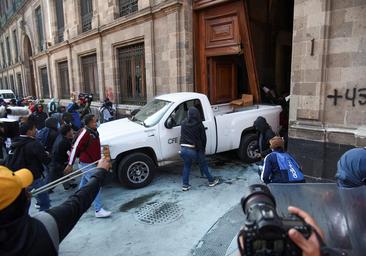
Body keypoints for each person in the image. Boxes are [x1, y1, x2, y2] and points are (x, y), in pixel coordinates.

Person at [0, 158, 110, 256]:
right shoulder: (45, 225)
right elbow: (78, 202)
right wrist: (100, 172)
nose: (28, 189)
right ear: (20, 202)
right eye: (23, 190)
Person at [64, 114, 111, 217]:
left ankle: (79, 203)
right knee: (96, 185)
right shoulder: (85, 133)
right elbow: (75, 147)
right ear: (89, 123)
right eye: (94, 121)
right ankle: (98, 210)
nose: (96, 123)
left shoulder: (93, 131)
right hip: (87, 163)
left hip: (93, 162)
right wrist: (70, 164)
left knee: (84, 186)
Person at [6, 117, 51, 211]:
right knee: (44, 199)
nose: (36, 131)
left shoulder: (15, 142)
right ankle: (43, 215)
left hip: (18, 176)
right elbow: (45, 159)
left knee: (24, 199)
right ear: (29, 132)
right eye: (34, 129)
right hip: (33, 176)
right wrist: (47, 155)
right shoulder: (34, 144)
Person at [179, 106, 219, 191]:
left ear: (189, 114)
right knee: (203, 164)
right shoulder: (199, 124)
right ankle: (211, 181)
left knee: (187, 166)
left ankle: (185, 185)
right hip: (193, 149)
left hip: (183, 149)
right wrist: (202, 150)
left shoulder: (183, 123)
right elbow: (203, 139)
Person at [49, 125, 77, 190]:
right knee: (60, 175)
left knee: (62, 174)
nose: (72, 131)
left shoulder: (60, 137)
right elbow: (70, 154)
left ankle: (67, 185)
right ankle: (49, 190)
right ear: (68, 132)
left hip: (56, 160)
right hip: (59, 162)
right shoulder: (65, 142)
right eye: (71, 130)